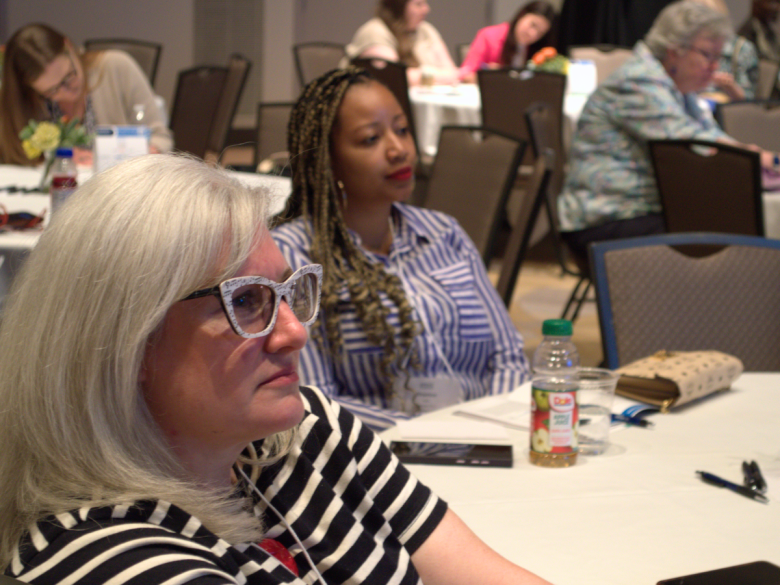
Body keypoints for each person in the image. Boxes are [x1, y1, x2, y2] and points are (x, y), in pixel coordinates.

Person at [0, 154, 552, 585]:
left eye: (288, 292)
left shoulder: (307, 435)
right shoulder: (109, 558)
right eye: (245, 302)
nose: (294, 332)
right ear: (128, 345)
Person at [272, 67, 529, 431]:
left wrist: (491, 428)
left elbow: (508, 355)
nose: (398, 150)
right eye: (371, 139)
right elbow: (315, 401)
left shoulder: (443, 233)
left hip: (489, 441)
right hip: (380, 455)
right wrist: (433, 436)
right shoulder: (295, 258)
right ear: (327, 159)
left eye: (402, 130)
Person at [558, 0, 780, 260]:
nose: (714, 67)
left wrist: (755, 156)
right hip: (608, 219)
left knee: (736, 230)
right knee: (733, 242)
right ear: (675, 50)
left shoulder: (675, 86)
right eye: (708, 55)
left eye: (718, 57)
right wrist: (763, 158)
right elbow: (694, 142)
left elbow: (709, 135)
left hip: (647, 212)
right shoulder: (638, 81)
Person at [0, 23, 172, 166]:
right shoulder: (26, 102)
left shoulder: (116, 67)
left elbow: (161, 140)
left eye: (69, 75)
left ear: (69, 46)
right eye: (51, 90)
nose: (67, 90)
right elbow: (15, 158)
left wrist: (115, 157)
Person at [343, 0, 459, 85]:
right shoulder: (375, 31)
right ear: (398, 7)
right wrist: (439, 76)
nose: (426, 9)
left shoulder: (426, 30)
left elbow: (452, 72)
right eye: (418, 4)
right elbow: (396, 77)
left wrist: (426, 76)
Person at [458, 1, 556, 83]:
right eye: (533, 25)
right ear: (522, 15)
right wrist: (489, 75)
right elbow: (465, 75)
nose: (533, 34)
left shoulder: (537, 50)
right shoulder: (489, 36)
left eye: (540, 33)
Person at [694, 0, 759, 102]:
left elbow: (749, 103)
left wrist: (730, 86)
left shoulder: (740, 48)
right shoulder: (684, 48)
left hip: (725, 108)